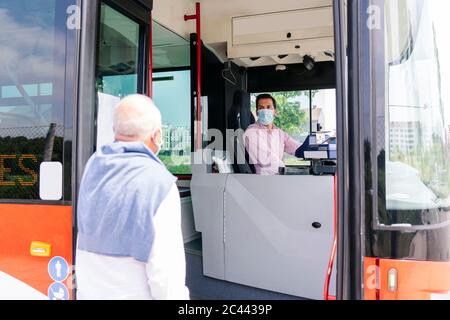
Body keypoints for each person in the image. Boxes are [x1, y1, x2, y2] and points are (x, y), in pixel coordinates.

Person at [75, 94, 190, 300]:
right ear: (156, 135)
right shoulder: (160, 184)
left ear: (115, 131)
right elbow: (166, 277)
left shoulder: (92, 168)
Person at [243, 94, 304, 175]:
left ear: (275, 111)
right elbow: (268, 162)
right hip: (262, 181)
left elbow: (297, 148)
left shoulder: (279, 133)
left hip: (277, 178)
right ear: (257, 112)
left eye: (268, 107)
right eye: (261, 108)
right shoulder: (251, 132)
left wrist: (317, 150)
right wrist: (290, 173)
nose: (265, 111)